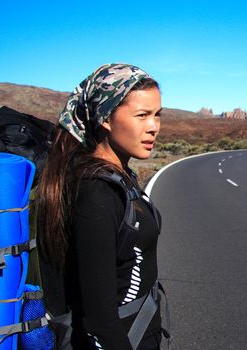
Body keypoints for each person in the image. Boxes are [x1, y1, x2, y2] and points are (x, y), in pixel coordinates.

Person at [35, 63, 164, 349]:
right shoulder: (97, 193)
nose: (154, 127)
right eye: (142, 115)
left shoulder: (119, 177)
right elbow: (100, 319)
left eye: (157, 115)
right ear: (105, 118)